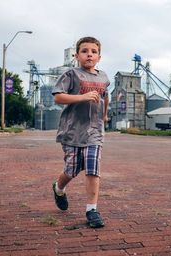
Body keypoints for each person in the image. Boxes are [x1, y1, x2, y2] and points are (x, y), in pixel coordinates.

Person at [51, 36, 110, 228]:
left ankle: (91, 210)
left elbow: (105, 98)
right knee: (72, 170)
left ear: (99, 57)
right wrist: (82, 97)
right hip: (73, 132)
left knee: (93, 168)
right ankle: (59, 188)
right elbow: (58, 98)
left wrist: (104, 117)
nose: (89, 55)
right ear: (77, 55)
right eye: (85, 51)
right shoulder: (71, 74)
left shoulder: (103, 78)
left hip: (94, 132)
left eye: (93, 52)